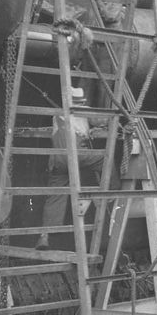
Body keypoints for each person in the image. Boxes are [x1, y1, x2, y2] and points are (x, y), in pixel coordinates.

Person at [38, 85, 108, 250]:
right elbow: (103, 120)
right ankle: (111, 193)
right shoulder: (83, 110)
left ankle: (44, 237)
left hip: (57, 161)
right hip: (76, 155)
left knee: (55, 197)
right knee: (105, 159)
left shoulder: (56, 115)